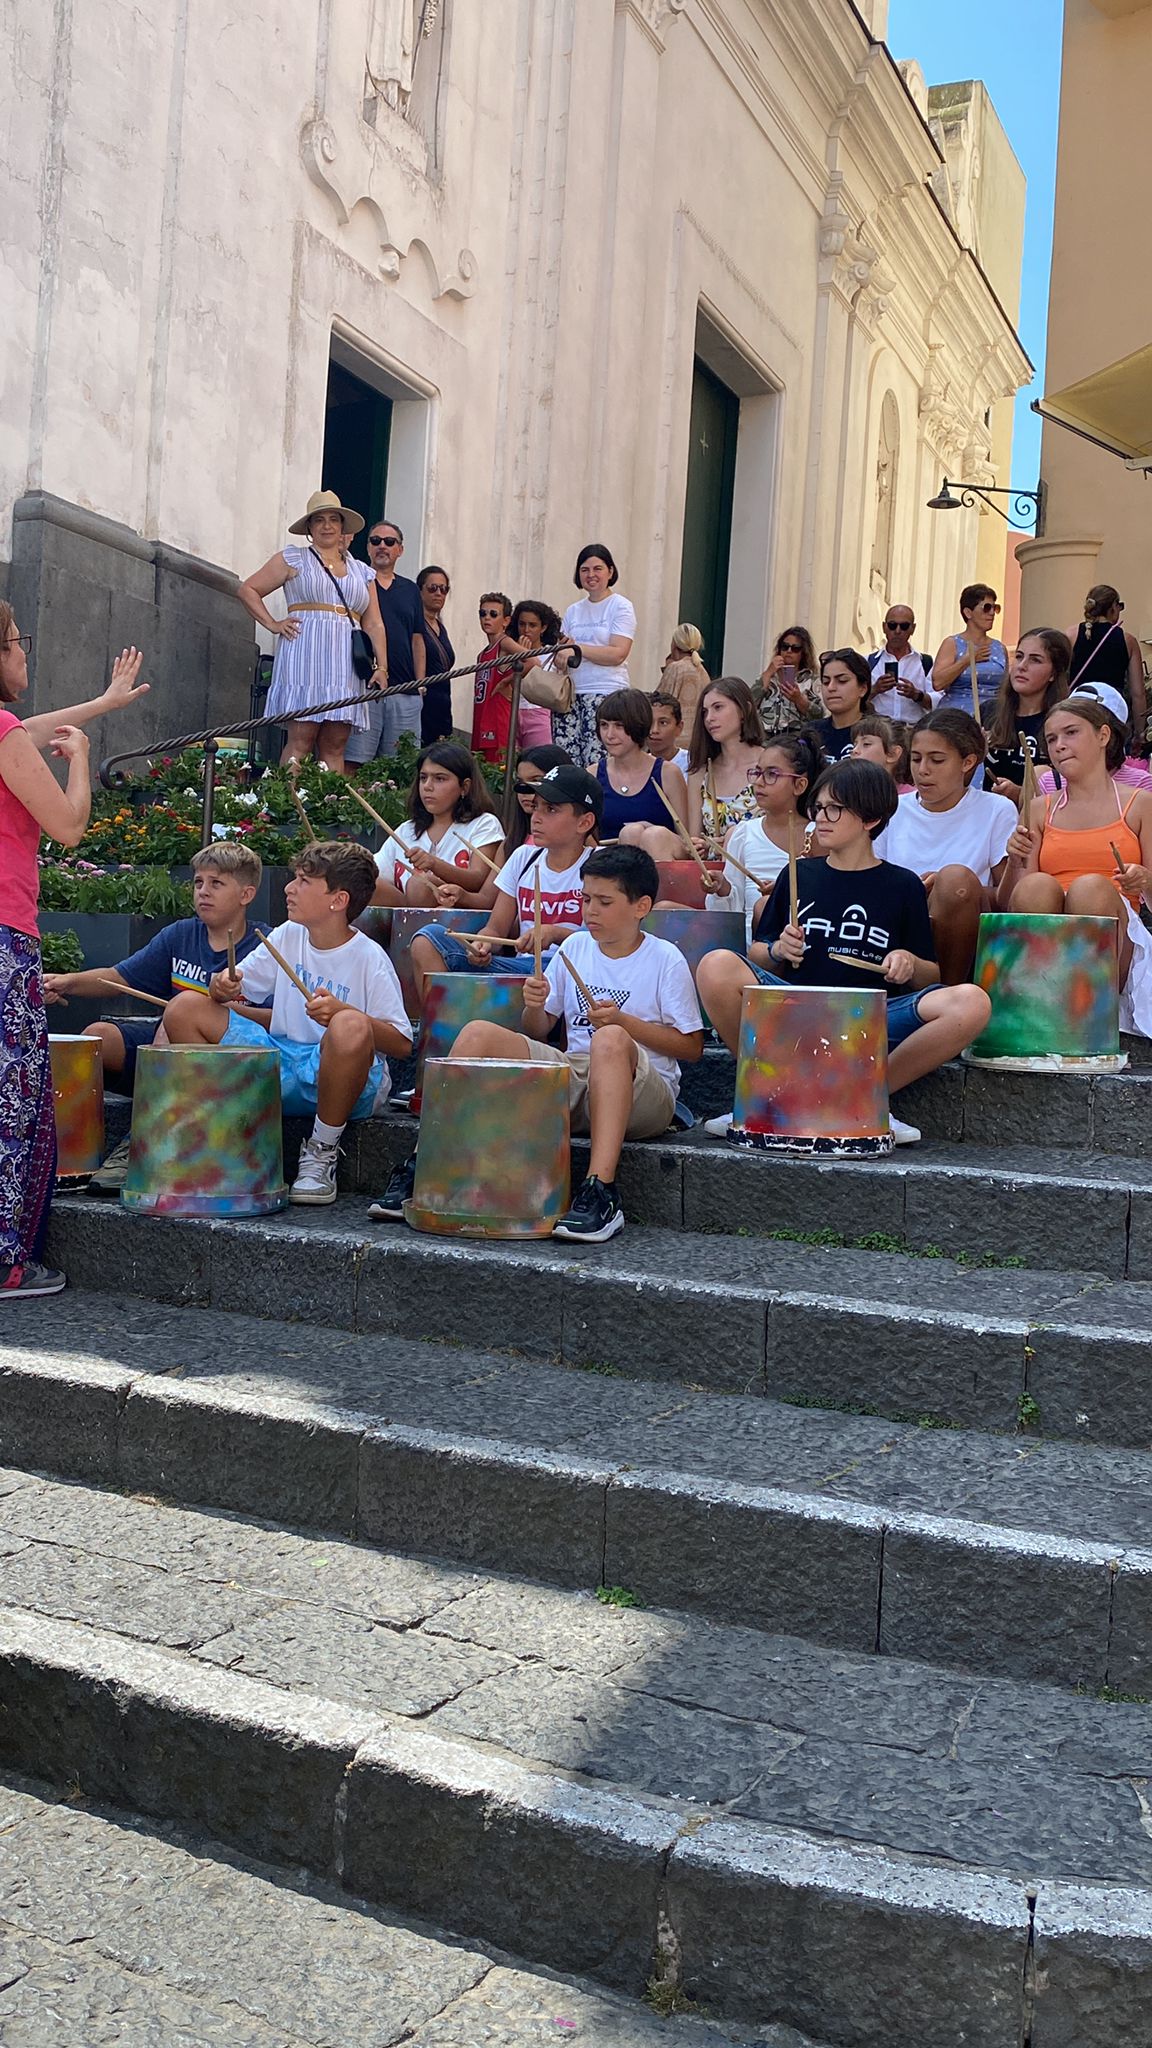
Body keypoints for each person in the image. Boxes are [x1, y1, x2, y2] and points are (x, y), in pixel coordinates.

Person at [372, 845, 705, 1242]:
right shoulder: (574, 948)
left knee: (611, 1039)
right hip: (578, 1074)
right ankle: (424, 1163)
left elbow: (691, 1047)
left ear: (641, 906)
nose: (590, 911)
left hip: (645, 1093)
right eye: (585, 899)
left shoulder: (665, 959)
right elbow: (538, 1029)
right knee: (478, 1032)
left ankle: (601, 1190)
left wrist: (623, 1023)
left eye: (604, 901)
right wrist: (533, 1006)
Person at [697, 760, 991, 1147]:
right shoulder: (798, 874)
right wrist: (777, 948)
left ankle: (866, 1098)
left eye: (834, 808)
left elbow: (930, 973)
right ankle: (767, 1090)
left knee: (971, 1002)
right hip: (796, 1005)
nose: (821, 818)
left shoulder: (902, 884)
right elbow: (758, 950)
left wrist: (906, 962)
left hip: (869, 1015)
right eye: (818, 808)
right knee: (716, 964)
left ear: (870, 818)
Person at [164, 841, 412, 1206]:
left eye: (303, 881)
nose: (288, 888)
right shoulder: (287, 935)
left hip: (345, 1081)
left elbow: (403, 1044)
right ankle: (230, 1135)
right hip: (280, 1065)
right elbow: (236, 986)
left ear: (337, 900)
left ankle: (322, 1151)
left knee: (351, 1026)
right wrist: (220, 986)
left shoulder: (368, 957)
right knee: (185, 1007)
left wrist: (344, 1012)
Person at [45, 843, 268, 1194]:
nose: (203, 892)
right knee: (96, 1037)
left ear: (247, 894)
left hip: (228, 1066)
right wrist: (67, 982)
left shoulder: (263, 945)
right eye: (198, 883)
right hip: (166, 1050)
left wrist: (209, 1010)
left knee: (176, 1016)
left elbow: (278, 1020)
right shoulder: (180, 934)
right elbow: (120, 978)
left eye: (216, 884)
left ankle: (137, 1144)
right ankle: (72, 1155)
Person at [0, 604, 96, 1295]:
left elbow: (29, 731)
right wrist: (82, 763)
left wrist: (103, 702)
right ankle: (7, 1259)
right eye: (16, 643)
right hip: (5, 934)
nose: (24, 655)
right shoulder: (3, 730)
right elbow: (66, 827)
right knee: (14, 1101)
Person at [1001, 693, 1152, 1031]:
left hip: (1113, 930)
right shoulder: (1039, 808)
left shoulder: (1142, 804)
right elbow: (1013, 900)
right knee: (1036, 885)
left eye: (1071, 733)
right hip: (1050, 935)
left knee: (1090, 889)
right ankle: (1034, 1012)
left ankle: (1086, 1023)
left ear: (1103, 736)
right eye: (1052, 739)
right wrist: (1015, 860)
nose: (1059, 745)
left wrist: (1143, 881)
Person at [408, 762, 601, 1004]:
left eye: (550, 809)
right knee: (428, 938)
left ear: (584, 822)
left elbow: (604, 938)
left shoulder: (602, 865)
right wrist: (483, 944)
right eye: (536, 806)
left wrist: (554, 934)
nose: (536, 817)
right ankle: (441, 1031)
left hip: (570, 971)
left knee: (555, 965)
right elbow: (496, 928)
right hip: (520, 968)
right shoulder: (523, 856)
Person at [237, 491, 389, 773]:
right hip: (306, 655)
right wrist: (273, 623)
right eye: (318, 520)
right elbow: (248, 589)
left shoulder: (362, 572)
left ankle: (324, 807)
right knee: (301, 738)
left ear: (343, 526)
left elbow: (374, 623)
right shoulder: (293, 559)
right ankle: (286, 805)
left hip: (345, 663)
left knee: (335, 743)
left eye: (333, 519)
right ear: (309, 528)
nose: (327, 525)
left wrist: (382, 667)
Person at [876, 709, 1015, 983]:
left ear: (968, 762)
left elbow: (1006, 899)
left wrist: (948, 891)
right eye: (915, 759)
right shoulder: (892, 808)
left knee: (954, 880)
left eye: (937, 760)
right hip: (898, 924)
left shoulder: (996, 809)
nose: (922, 770)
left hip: (966, 932)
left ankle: (946, 992)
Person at [715, 731, 824, 943]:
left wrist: (783, 892)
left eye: (772, 774)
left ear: (800, 785)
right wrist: (722, 888)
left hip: (805, 944)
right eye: (757, 772)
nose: (759, 782)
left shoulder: (820, 834)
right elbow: (732, 910)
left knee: (766, 905)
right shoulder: (744, 833)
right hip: (751, 946)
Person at [371, 743, 503, 908]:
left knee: (421, 883)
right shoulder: (407, 830)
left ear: (465, 787)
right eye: (423, 778)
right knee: (363, 880)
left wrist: (434, 864)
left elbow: (479, 880)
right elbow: (376, 871)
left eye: (439, 778)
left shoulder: (484, 824)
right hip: (402, 916)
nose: (427, 786)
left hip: (457, 919)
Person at [344, 516, 428, 763]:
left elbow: (417, 639)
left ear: (400, 550)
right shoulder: (356, 582)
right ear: (368, 546)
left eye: (390, 541)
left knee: (402, 765)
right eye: (376, 540)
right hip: (365, 685)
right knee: (356, 761)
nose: (382, 546)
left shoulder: (411, 589)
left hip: (406, 691)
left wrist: (421, 684)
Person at [556, 545, 637, 767]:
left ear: (610, 572)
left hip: (605, 693)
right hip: (571, 695)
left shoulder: (621, 606)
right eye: (584, 569)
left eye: (597, 568)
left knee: (598, 761)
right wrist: (562, 653)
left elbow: (618, 653)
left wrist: (577, 649)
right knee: (568, 762)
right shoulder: (573, 610)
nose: (591, 575)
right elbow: (562, 651)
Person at [594, 688, 689, 857]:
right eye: (604, 725)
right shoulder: (593, 773)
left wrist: (650, 831)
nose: (609, 735)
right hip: (609, 865)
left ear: (638, 725)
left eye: (619, 726)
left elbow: (686, 841)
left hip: (661, 858)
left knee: (648, 834)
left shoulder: (668, 773)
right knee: (631, 832)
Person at [983, 629, 1071, 799]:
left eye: (1035, 660)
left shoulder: (1064, 721)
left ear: (1053, 673)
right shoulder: (989, 711)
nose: (1022, 666)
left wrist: (1020, 794)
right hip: (993, 818)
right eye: (1019, 656)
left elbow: (1068, 792)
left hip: (1037, 821)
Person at [687, 677, 765, 846]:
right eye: (705, 712)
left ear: (745, 710)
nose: (709, 718)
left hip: (755, 864)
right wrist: (701, 846)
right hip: (711, 869)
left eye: (718, 708)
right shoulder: (700, 772)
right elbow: (695, 838)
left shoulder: (769, 764)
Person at [1070, 585, 1148, 752]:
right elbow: (1138, 693)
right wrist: (1140, 733)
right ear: (1113, 607)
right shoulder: (1128, 641)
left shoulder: (1071, 635)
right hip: (1113, 712)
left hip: (1077, 708)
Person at [931, 585, 1008, 716]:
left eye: (995, 608)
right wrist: (966, 660)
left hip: (992, 717)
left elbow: (1005, 688)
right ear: (968, 612)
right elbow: (938, 683)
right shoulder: (952, 643)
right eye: (986, 608)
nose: (992, 613)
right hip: (956, 717)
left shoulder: (1000, 648)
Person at [506, 600, 574, 749]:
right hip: (511, 711)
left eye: (532, 625)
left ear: (543, 628)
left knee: (539, 761)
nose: (526, 630)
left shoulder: (552, 653)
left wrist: (525, 656)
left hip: (539, 712)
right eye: (522, 624)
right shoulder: (508, 649)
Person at [866, 607, 938, 724]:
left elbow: (938, 701)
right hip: (878, 729)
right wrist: (875, 689)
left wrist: (917, 695)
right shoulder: (868, 661)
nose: (898, 631)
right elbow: (853, 700)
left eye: (904, 626)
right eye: (892, 625)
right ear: (884, 627)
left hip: (912, 729)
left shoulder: (925, 663)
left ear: (912, 629)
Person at [503, 744, 575, 857]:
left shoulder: (580, 840)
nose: (524, 790)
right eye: (520, 781)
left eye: (536, 781)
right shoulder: (511, 842)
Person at [470, 592, 517, 766]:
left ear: (505, 620)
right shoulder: (482, 654)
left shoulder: (504, 643)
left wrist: (507, 681)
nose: (486, 618)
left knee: (497, 770)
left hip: (498, 718)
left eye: (493, 614)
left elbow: (533, 660)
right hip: (481, 717)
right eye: (483, 614)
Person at [807, 647, 872, 762]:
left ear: (863, 688)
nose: (831, 688)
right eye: (826, 682)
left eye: (842, 681)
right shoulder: (811, 732)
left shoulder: (877, 733)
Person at [753, 627, 820, 738]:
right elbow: (749, 704)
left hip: (794, 739)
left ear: (803, 652)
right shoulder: (769, 677)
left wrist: (798, 699)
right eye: (785, 647)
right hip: (765, 738)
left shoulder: (811, 680)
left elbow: (819, 716)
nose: (789, 651)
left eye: (795, 648)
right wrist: (769, 672)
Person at [416, 565, 455, 746]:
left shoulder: (441, 626)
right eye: (432, 588)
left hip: (443, 702)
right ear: (420, 590)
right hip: (424, 702)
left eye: (443, 589)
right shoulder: (416, 626)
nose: (438, 593)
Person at [658, 624, 709, 729]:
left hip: (676, 735)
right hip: (697, 736)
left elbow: (659, 702)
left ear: (675, 644)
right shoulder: (703, 672)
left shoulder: (675, 668)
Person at [851, 714, 911, 790]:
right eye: (854, 745)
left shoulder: (913, 798)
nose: (854, 750)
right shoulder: (844, 794)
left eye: (866, 744)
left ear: (892, 754)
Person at [648, 692, 690, 774]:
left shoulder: (692, 764)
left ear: (679, 727)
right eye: (649, 722)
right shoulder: (636, 765)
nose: (654, 730)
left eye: (663, 723)